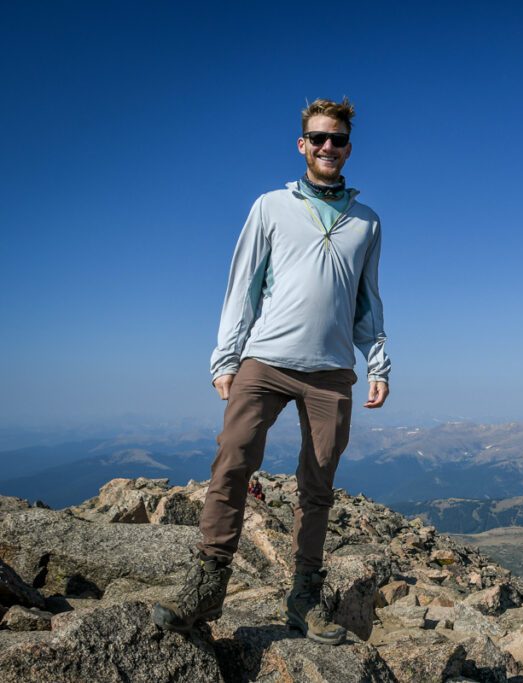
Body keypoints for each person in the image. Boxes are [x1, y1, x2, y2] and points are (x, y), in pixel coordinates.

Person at [153, 98, 391, 645]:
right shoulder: (269, 206)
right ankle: (207, 584)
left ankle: (305, 597)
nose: (327, 146)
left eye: (337, 139)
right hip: (265, 360)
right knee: (232, 461)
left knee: (318, 485)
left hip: (332, 371)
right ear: (301, 144)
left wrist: (378, 363)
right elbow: (242, 287)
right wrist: (226, 359)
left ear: (349, 147)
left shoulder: (367, 223)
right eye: (318, 138)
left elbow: (366, 302)